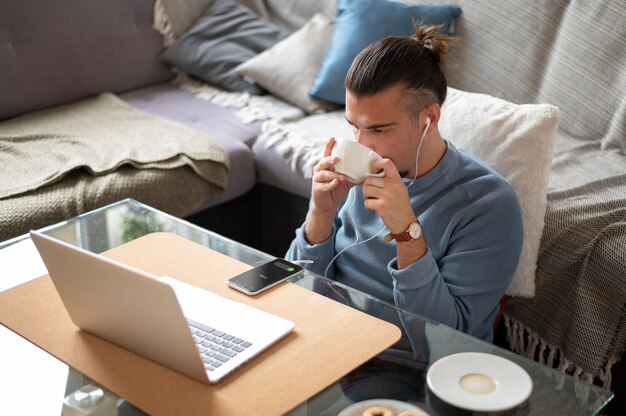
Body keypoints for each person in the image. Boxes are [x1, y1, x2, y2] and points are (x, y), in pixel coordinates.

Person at [286, 24, 523, 343]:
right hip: (330, 335)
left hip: (404, 363)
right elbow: (293, 290)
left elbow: (448, 337)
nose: (362, 144)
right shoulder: (355, 173)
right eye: (353, 126)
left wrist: (406, 230)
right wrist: (320, 213)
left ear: (429, 118)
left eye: (379, 130)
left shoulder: (488, 204)